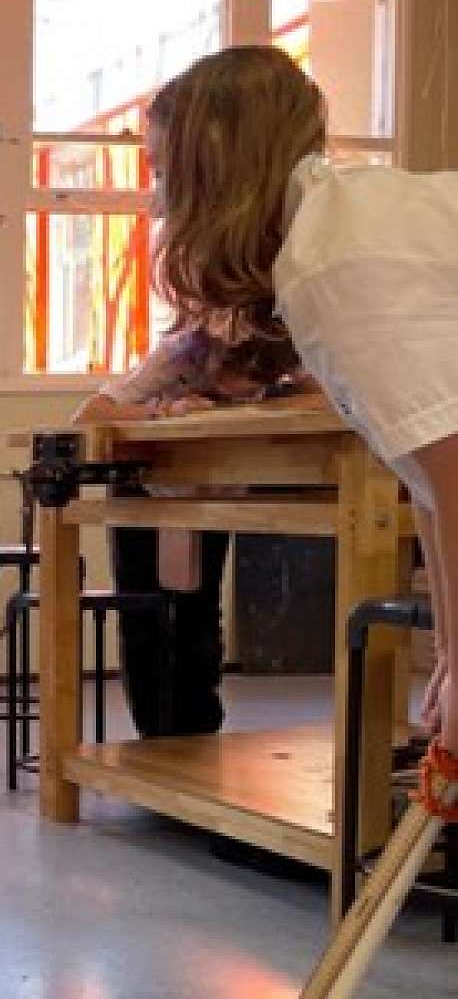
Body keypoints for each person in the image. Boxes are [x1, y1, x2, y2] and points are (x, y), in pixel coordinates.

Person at [143, 42, 458, 999]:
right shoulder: (323, 244)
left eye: (163, 168)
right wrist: (451, 654)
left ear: (212, 164)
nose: (154, 194)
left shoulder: (338, 260)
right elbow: (429, 478)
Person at [73, 69, 320, 742]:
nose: (160, 197)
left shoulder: (293, 320)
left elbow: (322, 395)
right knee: (154, 620)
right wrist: (164, 416)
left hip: (214, 494)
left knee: (192, 621)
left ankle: (190, 743)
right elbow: (96, 412)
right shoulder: (194, 339)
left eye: (165, 170)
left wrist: (248, 407)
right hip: (157, 493)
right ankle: (166, 746)